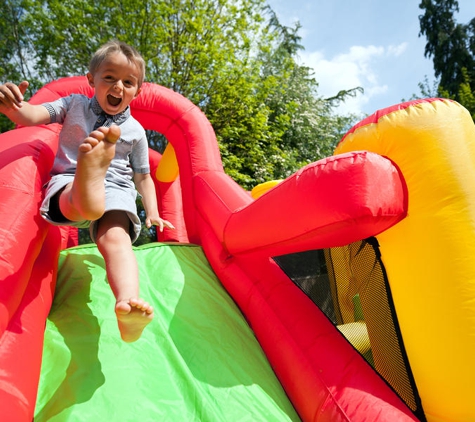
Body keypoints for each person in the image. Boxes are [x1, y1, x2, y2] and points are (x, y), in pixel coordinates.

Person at [0, 40, 174, 342]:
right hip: (70, 177)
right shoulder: (73, 104)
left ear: (138, 90)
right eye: (109, 77)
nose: (118, 86)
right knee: (95, 218)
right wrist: (13, 106)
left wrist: (154, 212)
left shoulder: (135, 131)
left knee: (116, 238)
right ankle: (87, 181)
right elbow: (32, 115)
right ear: (91, 80)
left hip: (116, 190)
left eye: (128, 82)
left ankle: (127, 303)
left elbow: (143, 176)